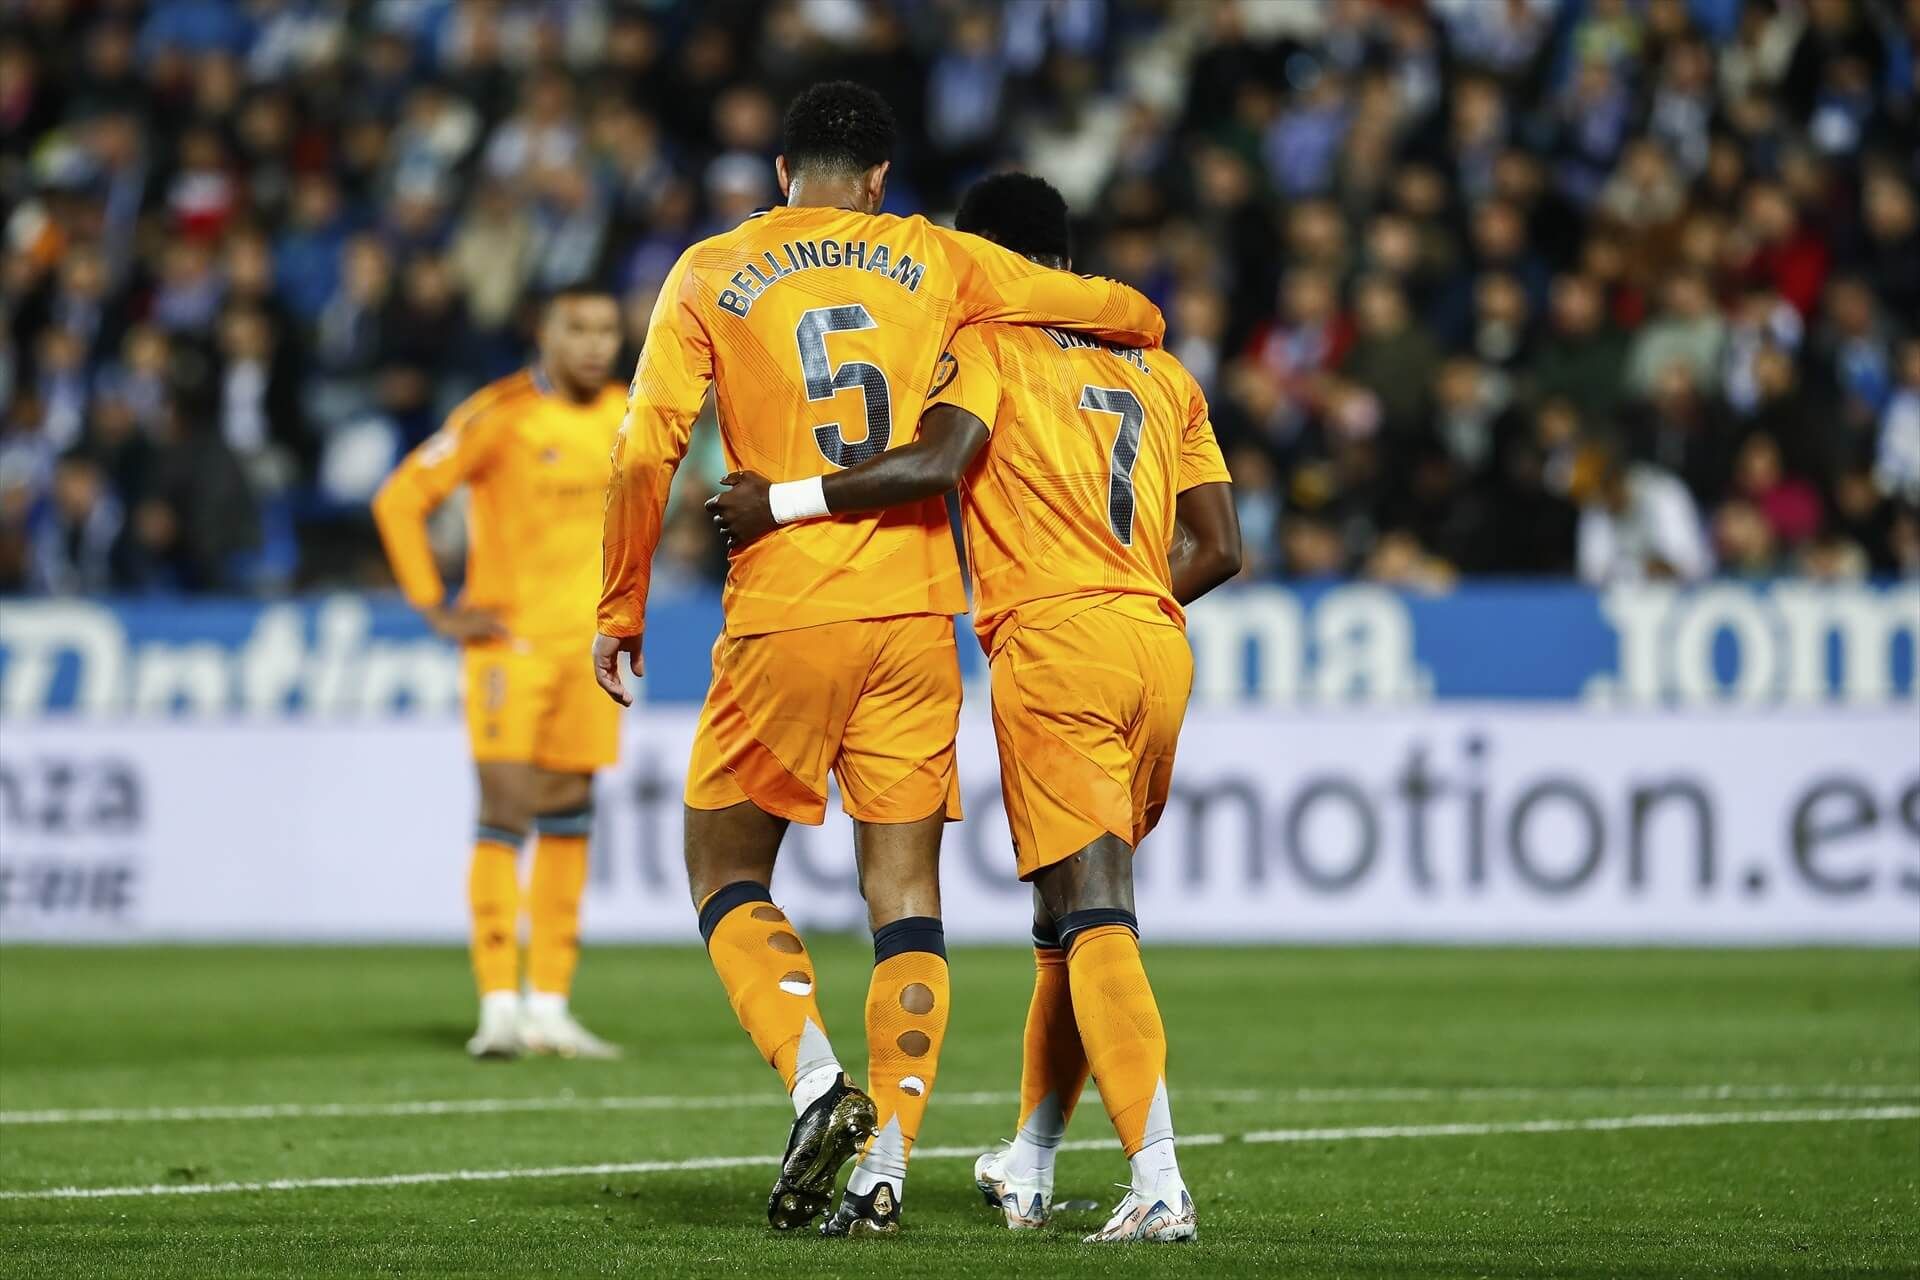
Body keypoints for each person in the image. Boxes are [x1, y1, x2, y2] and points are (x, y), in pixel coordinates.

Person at [592, 83, 1164, 1237]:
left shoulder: (710, 268)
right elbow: (1131, 310)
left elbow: (646, 446)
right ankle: (886, 1162)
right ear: (880, 180)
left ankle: (815, 1080)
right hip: (916, 614)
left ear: (780, 169)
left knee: (720, 865)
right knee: (904, 896)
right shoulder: (941, 257)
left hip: (786, 604)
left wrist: (622, 601)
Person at [707, 172, 1241, 1244]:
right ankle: (1030, 1161)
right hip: (1155, 639)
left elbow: (941, 458)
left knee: (1095, 910)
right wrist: (1123, 598)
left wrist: (784, 499)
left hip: (1055, 641)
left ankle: (1160, 1182)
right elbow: (1220, 547)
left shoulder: (989, 345)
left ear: (986, 258)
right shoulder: (1164, 371)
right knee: (1064, 921)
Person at [371, 284, 627, 1061]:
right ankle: (497, 1004)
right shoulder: (501, 413)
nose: (595, 343)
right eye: (577, 328)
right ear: (544, 334)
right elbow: (400, 498)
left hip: (588, 650)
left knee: (571, 810)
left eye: (607, 329)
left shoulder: (629, 410)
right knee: (507, 806)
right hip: (509, 649)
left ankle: (549, 1005)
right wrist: (434, 605)